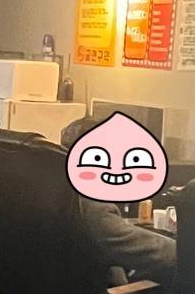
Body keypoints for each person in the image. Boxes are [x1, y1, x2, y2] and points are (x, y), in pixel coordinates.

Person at [61, 114, 176, 284]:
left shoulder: (52, 184)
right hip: (92, 292)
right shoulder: (89, 201)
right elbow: (148, 250)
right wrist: (191, 252)